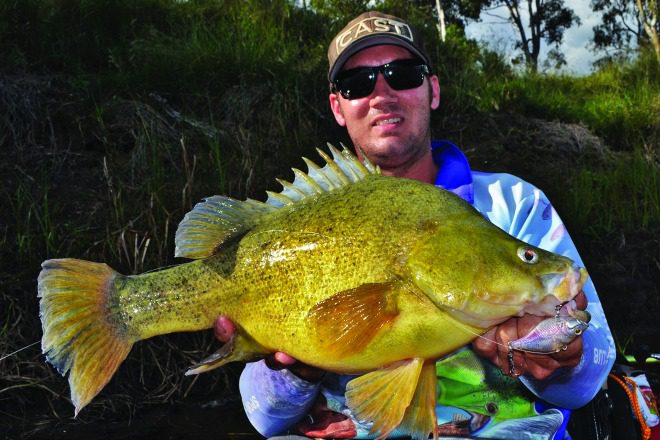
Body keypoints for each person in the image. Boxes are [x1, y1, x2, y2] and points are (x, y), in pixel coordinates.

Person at [214, 11, 616, 439]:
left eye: (402, 74)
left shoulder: (514, 204)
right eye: (357, 84)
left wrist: (562, 358)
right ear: (338, 107)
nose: (382, 94)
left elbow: (589, 381)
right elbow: (264, 418)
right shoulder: (301, 222)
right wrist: (291, 369)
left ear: (433, 89)